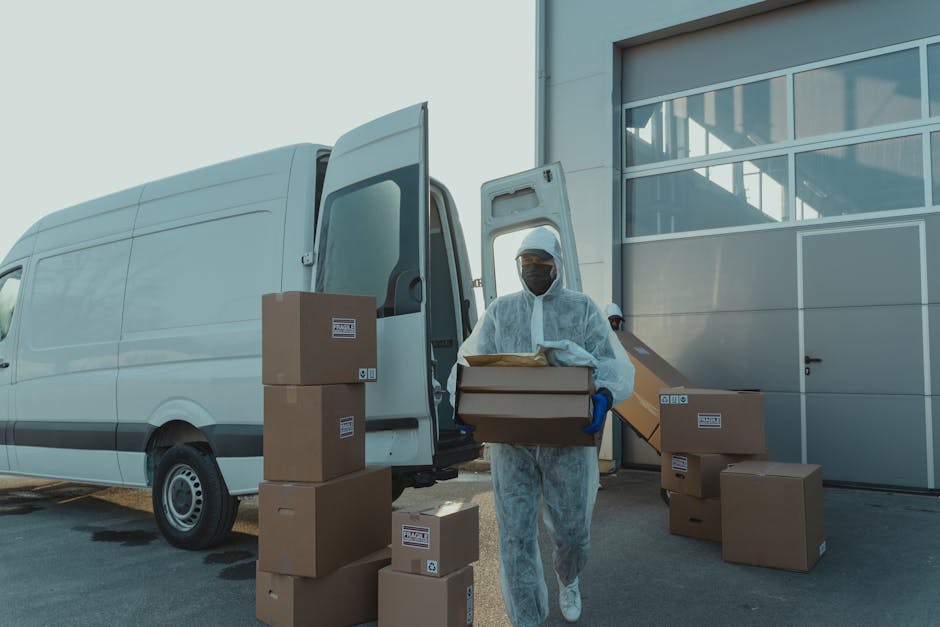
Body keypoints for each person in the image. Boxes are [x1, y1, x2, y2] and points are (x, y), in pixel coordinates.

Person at [449, 227, 634, 625]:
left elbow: (612, 363)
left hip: (565, 441)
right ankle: (527, 617)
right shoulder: (501, 311)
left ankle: (568, 578)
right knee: (515, 536)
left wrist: (604, 395)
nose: (533, 268)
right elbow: (471, 361)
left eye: (541, 261)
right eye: (526, 261)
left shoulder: (581, 309)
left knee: (572, 532)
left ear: (557, 264)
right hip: (512, 443)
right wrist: (463, 405)